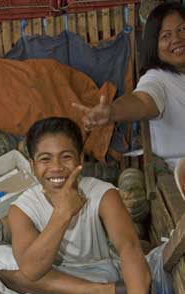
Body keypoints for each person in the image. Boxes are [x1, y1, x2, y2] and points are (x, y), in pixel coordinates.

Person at [0, 117, 157, 294]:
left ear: (80, 160)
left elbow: (129, 248)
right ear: (32, 164)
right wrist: (62, 215)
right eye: (45, 159)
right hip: (46, 287)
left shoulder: (103, 194)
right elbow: (31, 271)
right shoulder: (21, 208)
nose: (56, 167)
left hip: (96, 272)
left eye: (66, 157)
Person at [74, 2, 185, 172]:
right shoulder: (157, 79)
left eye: (182, 29)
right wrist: (111, 112)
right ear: (154, 46)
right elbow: (141, 101)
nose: (177, 39)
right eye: (165, 36)